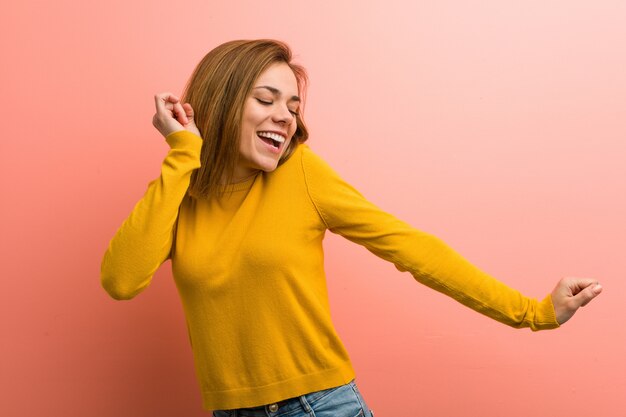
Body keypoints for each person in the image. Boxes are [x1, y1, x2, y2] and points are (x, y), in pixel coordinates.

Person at [100, 39, 602, 417]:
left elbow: (414, 249)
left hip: (318, 406)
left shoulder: (301, 174)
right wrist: (183, 153)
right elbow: (121, 281)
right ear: (222, 101)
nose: (285, 118)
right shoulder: (179, 194)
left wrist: (533, 312)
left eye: (293, 107)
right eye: (267, 99)